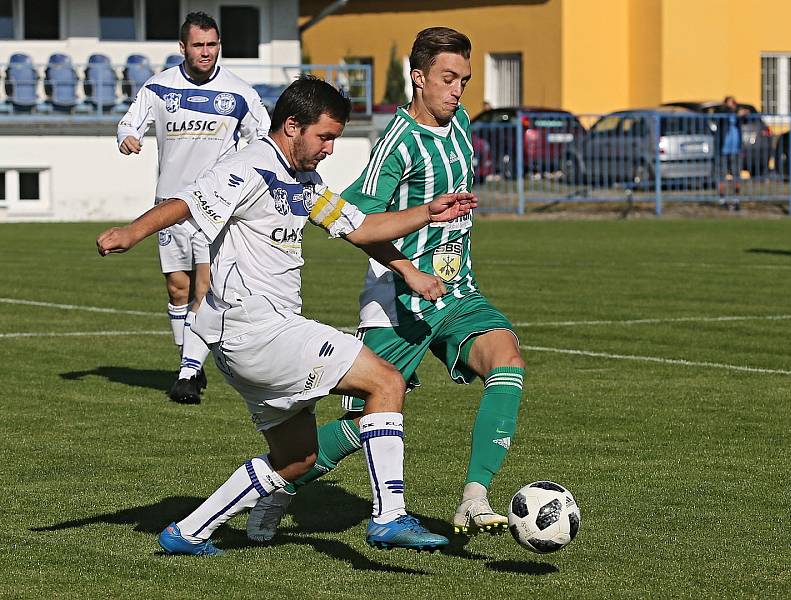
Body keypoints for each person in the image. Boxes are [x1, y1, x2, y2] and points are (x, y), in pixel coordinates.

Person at [97, 75, 477, 556]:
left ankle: (187, 532)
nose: (329, 149)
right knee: (386, 382)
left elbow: (361, 228)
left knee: (297, 460)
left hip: (245, 342)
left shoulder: (306, 181)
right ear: (292, 125)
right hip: (256, 329)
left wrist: (426, 214)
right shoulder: (250, 164)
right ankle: (390, 516)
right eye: (325, 137)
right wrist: (131, 233)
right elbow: (185, 202)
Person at [246, 27, 525, 543]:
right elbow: (356, 221)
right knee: (363, 425)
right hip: (397, 302)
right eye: (447, 78)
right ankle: (276, 486)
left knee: (505, 360)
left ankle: (475, 496)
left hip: (456, 290)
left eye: (464, 79)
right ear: (417, 78)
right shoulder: (396, 144)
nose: (458, 90)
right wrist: (408, 271)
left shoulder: (460, 121)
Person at [117, 11, 271, 404]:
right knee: (178, 287)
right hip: (168, 205)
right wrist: (129, 137)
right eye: (199, 45)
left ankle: (187, 372)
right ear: (182, 47)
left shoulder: (239, 92)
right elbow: (129, 122)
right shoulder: (159, 87)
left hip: (214, 208)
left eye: (213, 44)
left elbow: (263, 139)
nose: (206, 52)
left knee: (205, 286)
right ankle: (191, 361)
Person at [716, 95, 747, 209]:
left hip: (736, 149)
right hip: (723, 149)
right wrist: (734, 111)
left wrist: (742, 113)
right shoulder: (722, 112)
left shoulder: (737, 114)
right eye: (731, 102)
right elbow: (722, 114)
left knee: (736, 175)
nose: (733, 104)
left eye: (734, 102)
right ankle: (722, 200)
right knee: (722, 175)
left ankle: (736, 200)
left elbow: (747, 120)